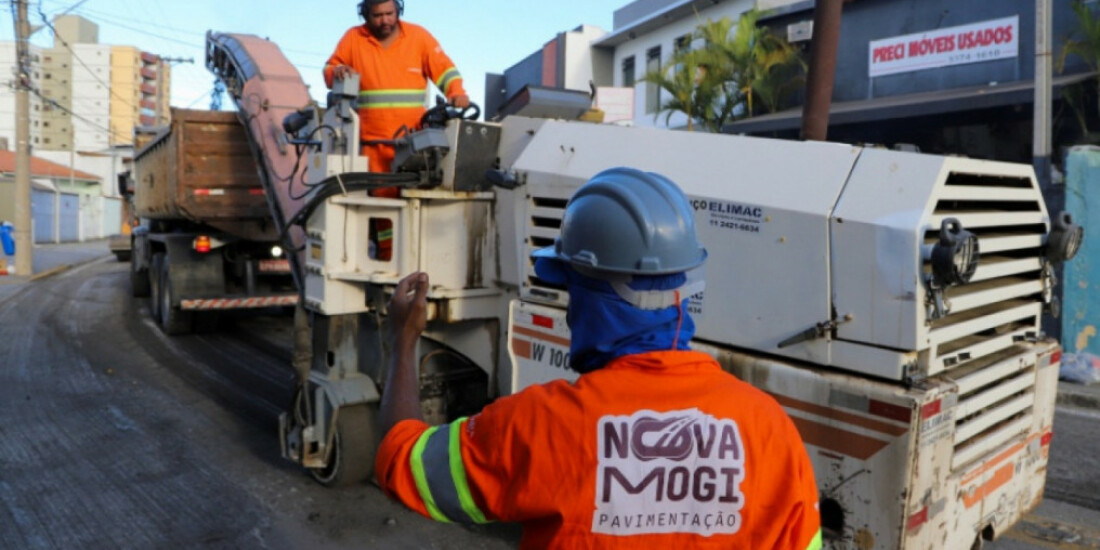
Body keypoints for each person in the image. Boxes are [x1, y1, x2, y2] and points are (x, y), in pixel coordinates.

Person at [375, 167, 822, 549]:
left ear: (592, 298)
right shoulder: (770, 429)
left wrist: (404, 339)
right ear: (681, 290)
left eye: (572, 290)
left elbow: (403, 461)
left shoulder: (540, 426)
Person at [324, 0, 470, 192]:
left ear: (398, 11)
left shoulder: (418, 37)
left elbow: (445, 70)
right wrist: (337, 70)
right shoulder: (354, 38)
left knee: (414, 201)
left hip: (414, 144)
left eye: (389, 14)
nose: (385, 20)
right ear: (366, 15)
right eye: (377, 15)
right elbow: (329, 69)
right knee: (378, 204)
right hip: (371, 146)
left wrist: (456, 92)